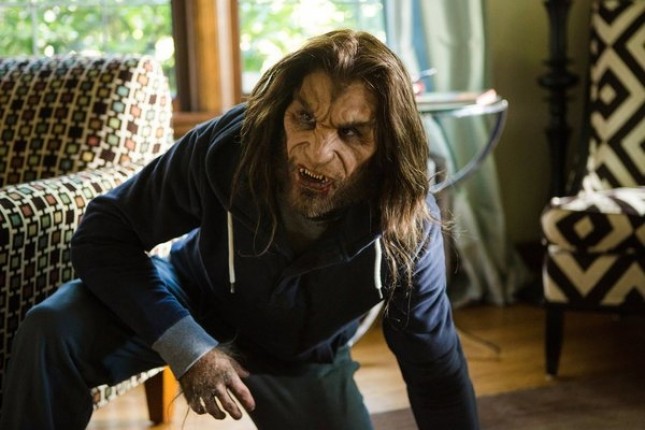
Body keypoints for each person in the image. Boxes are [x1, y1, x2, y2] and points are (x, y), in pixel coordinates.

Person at [0, 29, 479, 429]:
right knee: (52, 329)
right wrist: (186, 346)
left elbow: (435, 370)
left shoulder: (407, 225)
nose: (316, 152)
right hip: (194, 300)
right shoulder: (230, 145)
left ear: (388, 143)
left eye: (351, 132)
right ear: (283, 110)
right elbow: (105, 232)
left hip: (301, 358)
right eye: (304, 118)